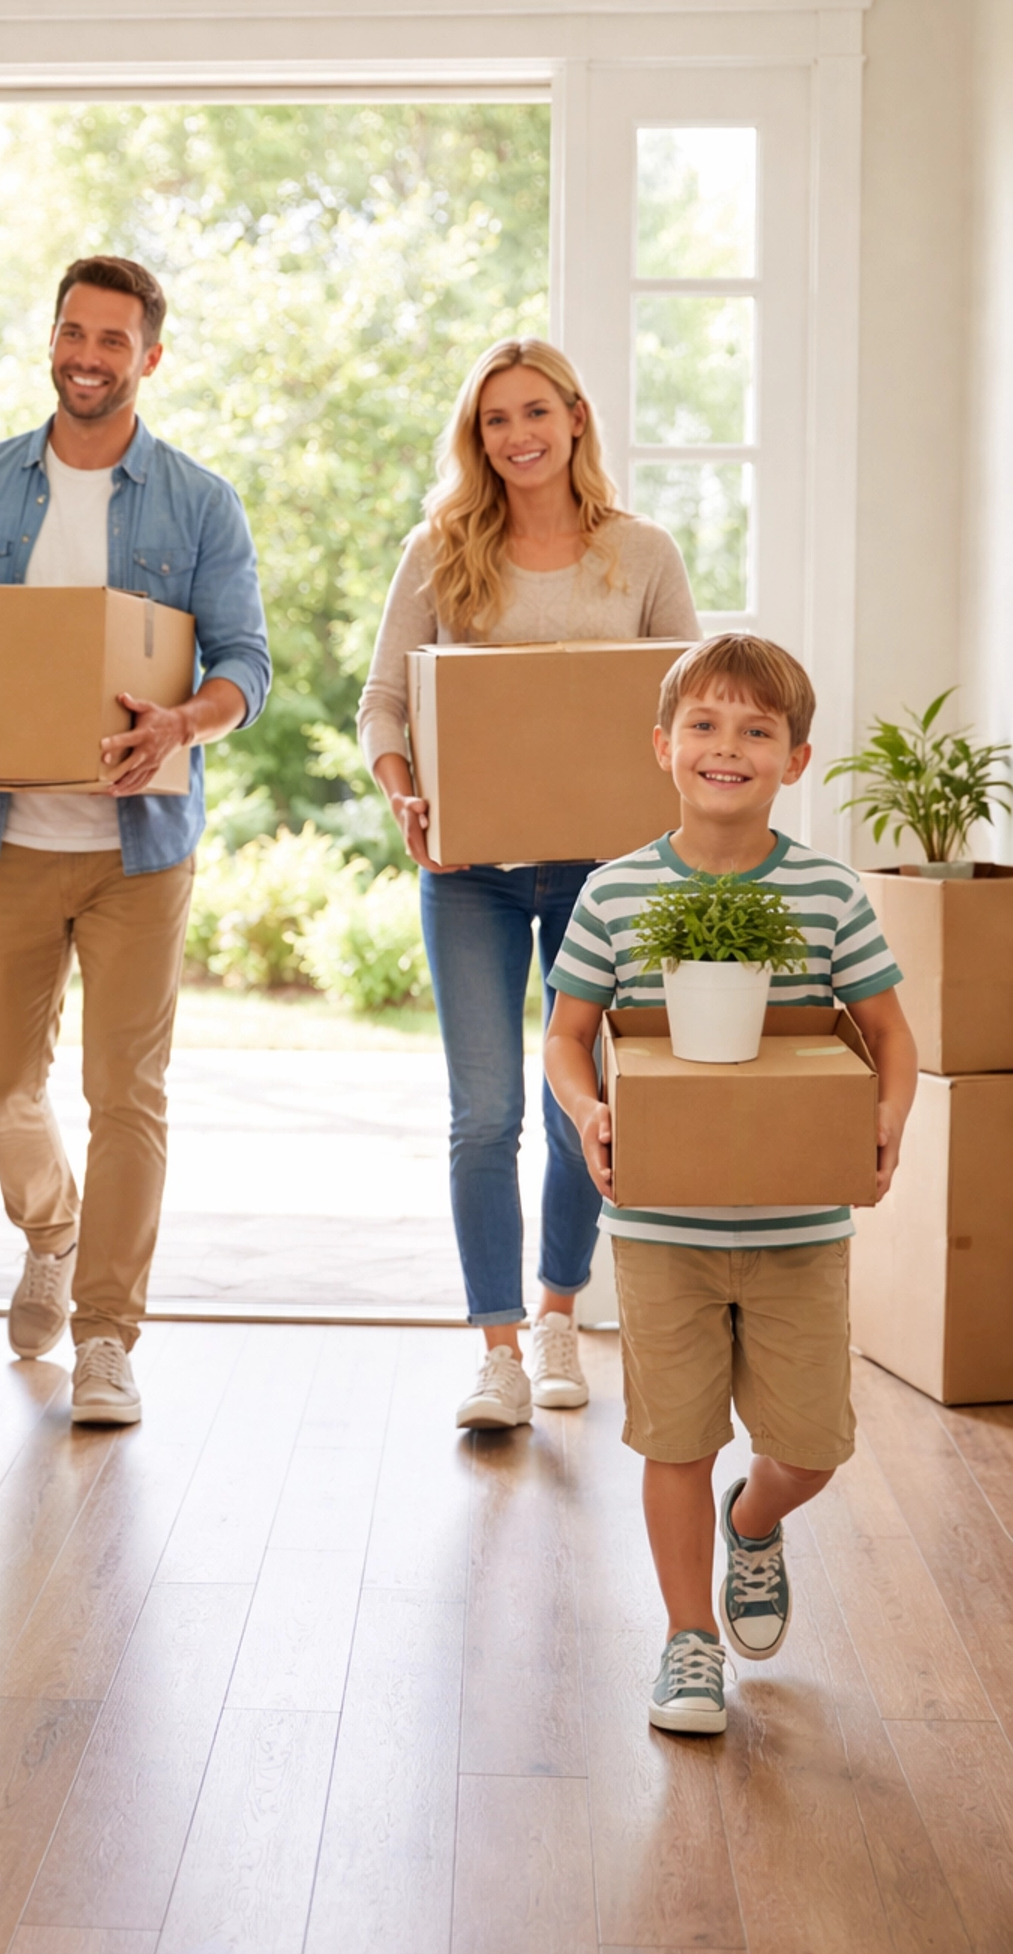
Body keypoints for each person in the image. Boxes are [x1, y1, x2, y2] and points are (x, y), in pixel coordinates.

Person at [0, 255, 270, 1426]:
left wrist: (182, 723)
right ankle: (51, 1232)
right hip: (4, 837)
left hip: (140, 849)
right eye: (74, 331)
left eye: (113, 339)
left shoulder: (199, 503)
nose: (88, 355)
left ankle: (108, 1336)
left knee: (127, 1093)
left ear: (148, 358)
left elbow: (246, 664)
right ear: (53, 339)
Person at [544, 633, 917, 1735]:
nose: (728, 746)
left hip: (801, 1227)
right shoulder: (615, 894)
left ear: (794, 760)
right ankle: (688, 1640)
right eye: (705, 724)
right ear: (663, 745)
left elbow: (888, 1031)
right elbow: (566, 1036)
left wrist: (889, 1114)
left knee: (811, 1448)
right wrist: (588, 1110)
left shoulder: (827, 892)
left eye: (758, 730)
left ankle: (752, 1522)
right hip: (663, 1228)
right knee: (675, 1440)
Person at [358, 337, 702, 1431]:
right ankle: (498, 1348)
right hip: (472, 874)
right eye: (495, 419)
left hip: (605, 879)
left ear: (576, 418)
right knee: (483, 1114)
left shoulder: (641, 553)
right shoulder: (439, 550)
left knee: (576, 1108)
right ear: (478, 436)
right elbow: (382, 703)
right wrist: (405, 795)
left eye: (536, 412)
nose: (518, 436)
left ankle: (559, 1311)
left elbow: (687, 708)